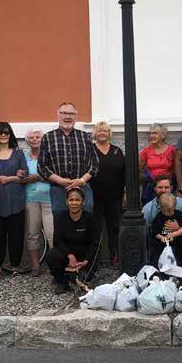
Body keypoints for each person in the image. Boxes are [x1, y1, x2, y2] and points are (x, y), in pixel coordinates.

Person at [0, 122, 27, 276]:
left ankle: (15, 266)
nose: (3, 135)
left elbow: (24, 176)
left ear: (10, 135)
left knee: (16, 235)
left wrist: (10, 178)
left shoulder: (18, 153)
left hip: (16, 201)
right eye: (0, 133)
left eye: (6, 133)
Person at [38, 102, 99, 216]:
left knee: (86, 224)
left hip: (83, 188)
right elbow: (41, 166)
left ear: (76, 116)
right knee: (60, 225)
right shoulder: (48, 137)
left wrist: (81, 181)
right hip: (58, 190)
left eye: (71, 113)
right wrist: (60, 180)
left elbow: (95, 165)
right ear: (58, 115)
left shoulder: (85, 137)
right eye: (64, 113)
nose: (67, 117)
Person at [45, 188, 102, 294]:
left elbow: (95, 243)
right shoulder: (60, 217)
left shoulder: (90, 218)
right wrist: (70, 256)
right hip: (68, 256)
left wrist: (85, 261)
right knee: (51, 254)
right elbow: (57, 240)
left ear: (83, 202)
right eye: (71, 200)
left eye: (77, 200)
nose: (74, 203)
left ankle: (76, 276)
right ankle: (62, 283)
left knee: (83, 279)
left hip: (84, 258)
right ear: (66, 202)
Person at [90, 121, 125, 266]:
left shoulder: (117, 150)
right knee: (95, 229)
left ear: (110, 133)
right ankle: (94, 259)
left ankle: (114, 256)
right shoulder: (90, 150)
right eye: (99, 130)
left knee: (114, 228)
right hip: (95, 197)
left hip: (115, 197)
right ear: (95, 134)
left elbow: (124, 173)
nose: (102, 133)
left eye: (105, 130)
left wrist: (125, 192)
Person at [23, 128, 54, 276]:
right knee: (32, 232)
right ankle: (35, 265)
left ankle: (54, 264)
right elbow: (21, 176)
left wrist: (37, 177)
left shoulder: (50, 156)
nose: (35, 139)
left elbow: (56, 174)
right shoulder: (23, 157)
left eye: (37, 136)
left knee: (51, 232)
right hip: (30, 199)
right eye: (31, 137)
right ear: (27, 141)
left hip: (49, 198)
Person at [139, 123, 176, 205]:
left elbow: (177, 168)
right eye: (150, 133)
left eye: (155, 133)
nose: (151, 136)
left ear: (163, 135)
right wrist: (145, 178)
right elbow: (137, 168)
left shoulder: (171, 150)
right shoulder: (146, 151)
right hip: (152, 188)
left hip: (168, 187)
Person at [148, 193, 182, 267]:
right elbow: (154, 231)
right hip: (161, 246)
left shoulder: (179, 215)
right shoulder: (159, 217)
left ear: (174, 206)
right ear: (160, 208)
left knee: (177, 261)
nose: (167, 213)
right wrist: (161, 237)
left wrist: (173, 234)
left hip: (177, 245)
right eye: (164, 211)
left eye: (169, 211)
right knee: (158, 259)